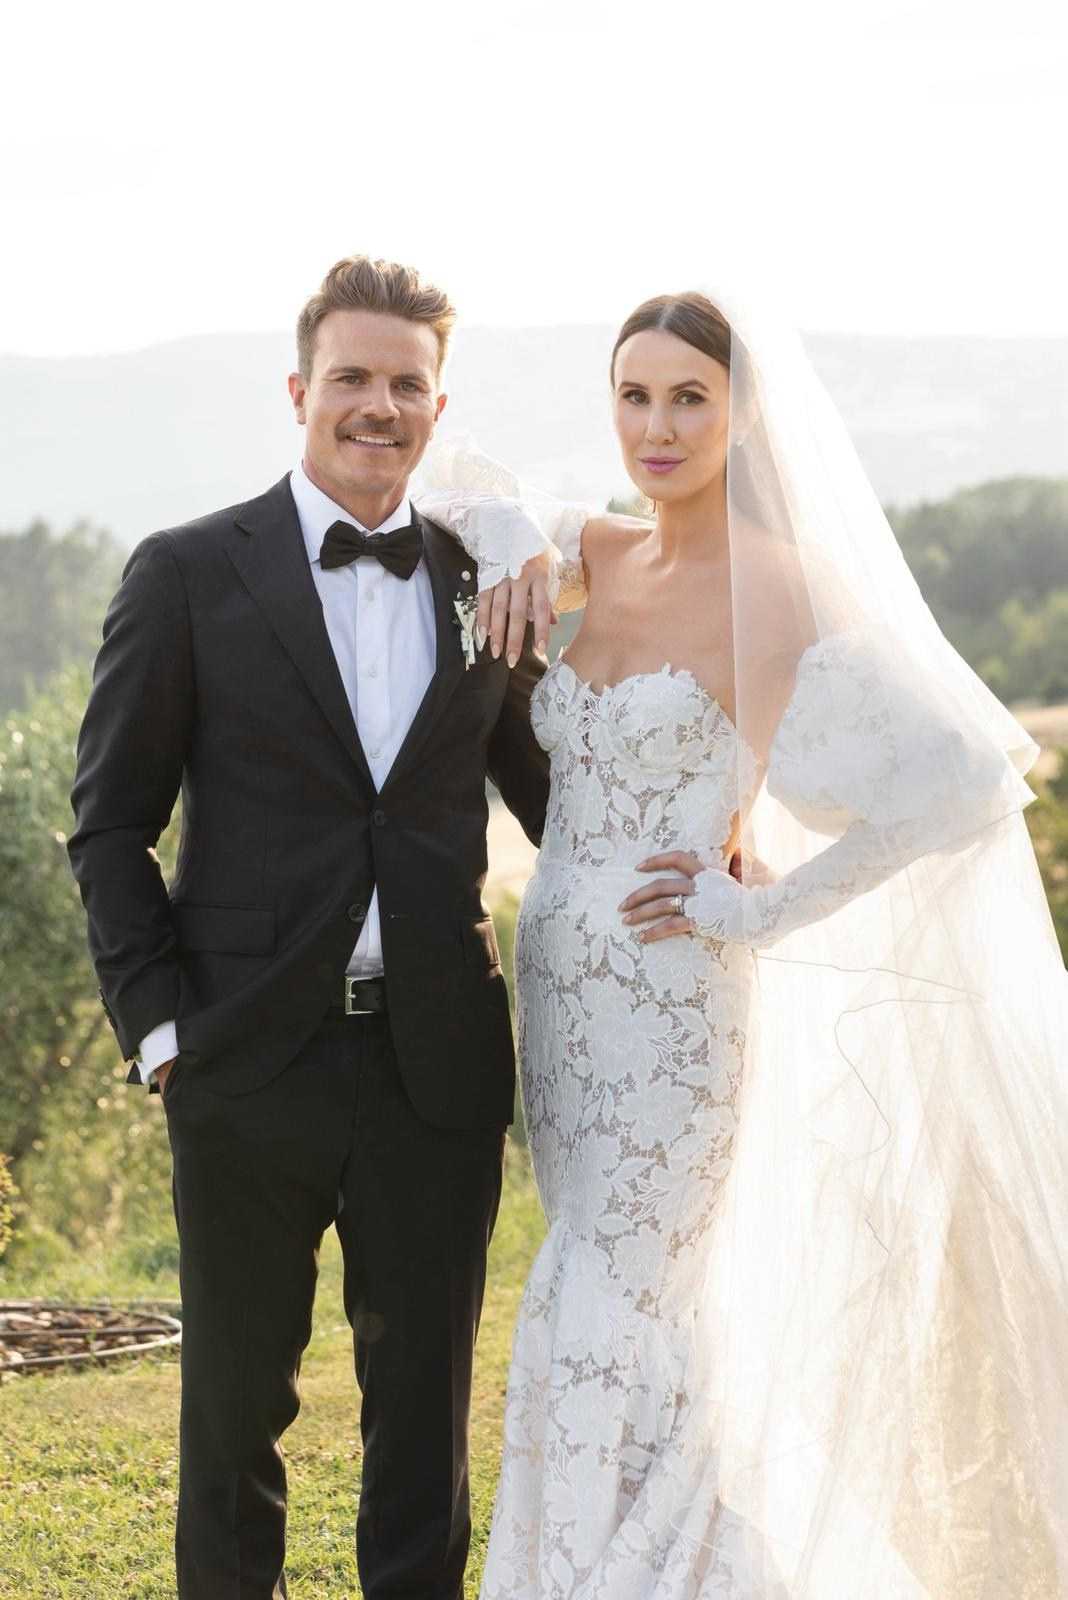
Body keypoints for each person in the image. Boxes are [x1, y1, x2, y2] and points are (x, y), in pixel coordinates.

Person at [421, 290, 1068, 1596]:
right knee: (604, 1281)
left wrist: (761, 908)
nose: (657, 426)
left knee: (610, 1292)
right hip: (560, 997)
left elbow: (959, 783)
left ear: (743, 413)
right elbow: (442, 475)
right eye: (634, 396)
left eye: (689, 398)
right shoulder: (598, 550)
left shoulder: (781, 583)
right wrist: (506, 531)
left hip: (673, 1009)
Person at [67, 253, 552, 1600]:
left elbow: (555, 805)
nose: (377, 406)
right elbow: (110, 826)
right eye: (352, 377)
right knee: (231, 1419)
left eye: (407, 384)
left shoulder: (485, 581)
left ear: (438, 408)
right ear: (299, 389)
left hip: (437, 1064)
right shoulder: (182, 574)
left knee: (426, 1431)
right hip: (243, 1063)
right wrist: (162, 1032)